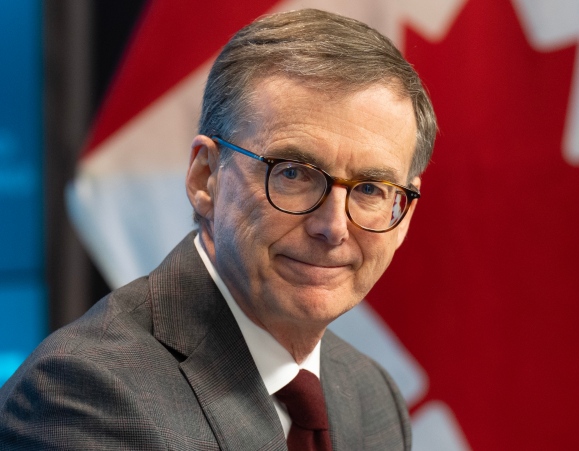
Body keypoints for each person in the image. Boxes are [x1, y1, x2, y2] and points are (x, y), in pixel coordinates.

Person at [0, 8, 436, 450]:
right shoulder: (85, 393)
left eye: (369, 188)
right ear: (205, 177)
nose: (333, 227)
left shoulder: (370, 394)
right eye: (293, 174)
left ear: (404, 214)